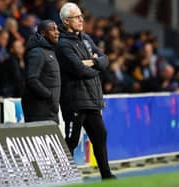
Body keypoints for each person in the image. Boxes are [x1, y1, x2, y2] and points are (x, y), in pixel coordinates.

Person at [56, 2, 116, 180]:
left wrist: (93, 63)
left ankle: (106, 175)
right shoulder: (63, 44)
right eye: (77, 17)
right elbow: (78, 69)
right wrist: (96, 64)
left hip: (91, 97)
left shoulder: (86, 38)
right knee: (72, 140)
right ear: (67, 21)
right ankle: (62, 176)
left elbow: (105, 60)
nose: (82, 19)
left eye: (81, 16)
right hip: (74, 99)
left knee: (100, 134)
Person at [21, 20, 60, 123]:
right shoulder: (38, 52)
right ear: (43, 33)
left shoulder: (49, 51)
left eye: (57, 29)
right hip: (39, 110)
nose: (57, 32)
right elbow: (32, 79)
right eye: (53, 29)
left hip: (49, 109)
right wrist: (49, 95)